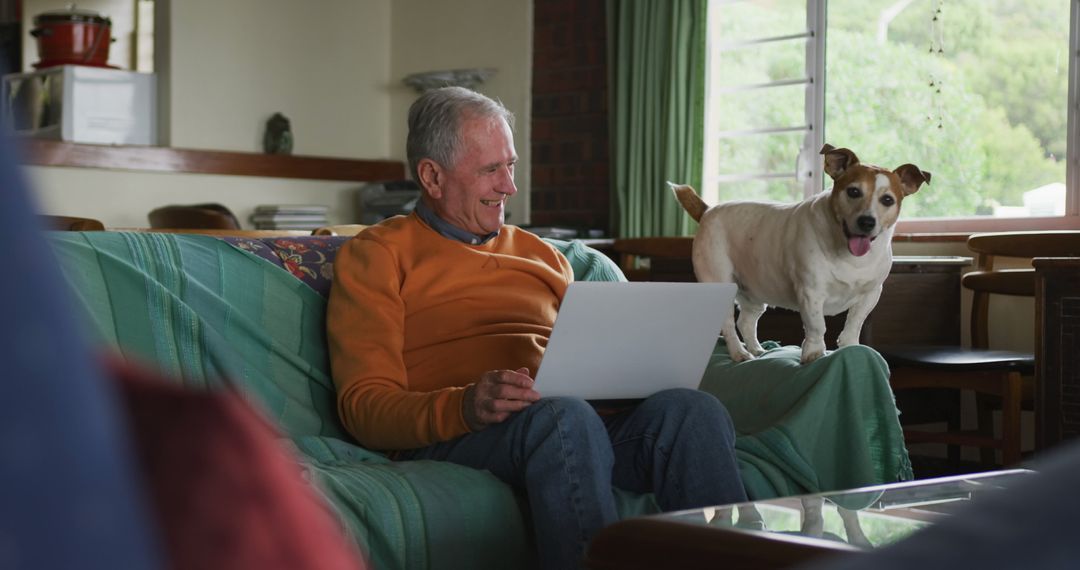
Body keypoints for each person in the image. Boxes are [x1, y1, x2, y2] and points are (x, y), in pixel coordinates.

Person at [326, 86, 746, 569]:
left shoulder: (543, 254)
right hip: (463, 431)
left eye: (511, 165)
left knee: (691, 411)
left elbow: (589, 354)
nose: (510, 186)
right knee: (563, 418)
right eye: (491, 170)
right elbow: (363, 406)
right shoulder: (378, 254)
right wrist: (464, 405)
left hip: (572, 425)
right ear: (432, 176)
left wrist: (630, 375)